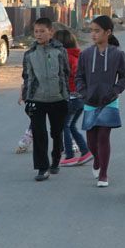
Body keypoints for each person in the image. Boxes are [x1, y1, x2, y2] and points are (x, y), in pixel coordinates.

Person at [75, 15, 125, 187]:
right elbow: (79, 77)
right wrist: (83, 93)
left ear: (108, 32)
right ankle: (97, 160)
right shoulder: (85, 54)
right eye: (91, 30)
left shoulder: (118, 54)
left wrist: (114, 92)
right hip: (90, 101)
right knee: (91, 140)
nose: (93, 34)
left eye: (97, 31)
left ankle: (104, 174)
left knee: (104, 136)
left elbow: (124, 79)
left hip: (109, 102)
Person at [20, 17, 70, 181]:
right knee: (39, 134)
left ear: (51, 32)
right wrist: (26, 97)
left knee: (56, 133)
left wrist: (66, 95)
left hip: (58, 99)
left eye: (42, 31)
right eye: (36, 31)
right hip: (37, 99)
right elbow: (27, 77)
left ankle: (56, 159)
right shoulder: (30, 54)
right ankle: (42, 168)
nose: (39, 34)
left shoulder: (60, 51)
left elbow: (65, 73)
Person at [55, 29, 93, 167]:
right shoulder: (78, 56)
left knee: (64, 125)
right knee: (71, 126)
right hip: (80, 98)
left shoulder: (65, 58)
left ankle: (70, 155)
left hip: (70, 97)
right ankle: (85, 151)